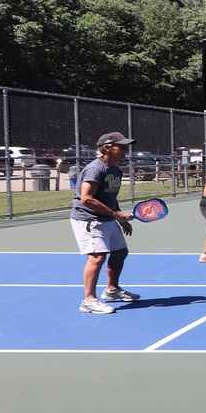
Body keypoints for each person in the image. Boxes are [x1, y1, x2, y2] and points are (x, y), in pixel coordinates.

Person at [70, 131, 139, 314]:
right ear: (107, 148)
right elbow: (86, 198)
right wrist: (117, 215)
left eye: (126, 147)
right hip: (88, 219)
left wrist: (120, 218)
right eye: (122, 147)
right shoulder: (95, 169)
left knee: (120, 252)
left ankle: (112, 290)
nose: (125, 151)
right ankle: (88, 300)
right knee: (97, 257)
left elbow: (109, 197)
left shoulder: (115, 170)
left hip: (107, 217)